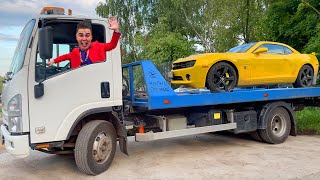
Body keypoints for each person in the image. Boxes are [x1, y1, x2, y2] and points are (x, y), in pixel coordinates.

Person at [47, 17, 121, 69]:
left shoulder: (98, 46)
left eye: (87, 35)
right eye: (81, 35)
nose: (84, 39)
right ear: (76, 37)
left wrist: (116, 31)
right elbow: (65, 57)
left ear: (91, 37)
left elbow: (112, 45)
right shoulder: (75, 52)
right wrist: (53, 61)